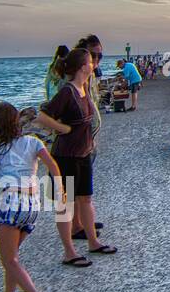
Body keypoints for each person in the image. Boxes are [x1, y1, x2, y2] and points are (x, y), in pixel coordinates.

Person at [0, 102, 68, 292]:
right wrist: (61, 190)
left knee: (9, 260)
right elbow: (53, 166)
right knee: (12, 257)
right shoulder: (32, 142)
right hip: (32, 204)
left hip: (11, 201)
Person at [35, 47, 115, 263]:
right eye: (90, 61)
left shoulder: (84, 87)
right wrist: (64, 129)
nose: (93, 64)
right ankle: (69, 252)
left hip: (84, 153)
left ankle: (93, 242)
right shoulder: (67, 92)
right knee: (66, 204)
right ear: (82, 67)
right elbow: (42, 117)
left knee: (86, 199)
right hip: (66, 156)